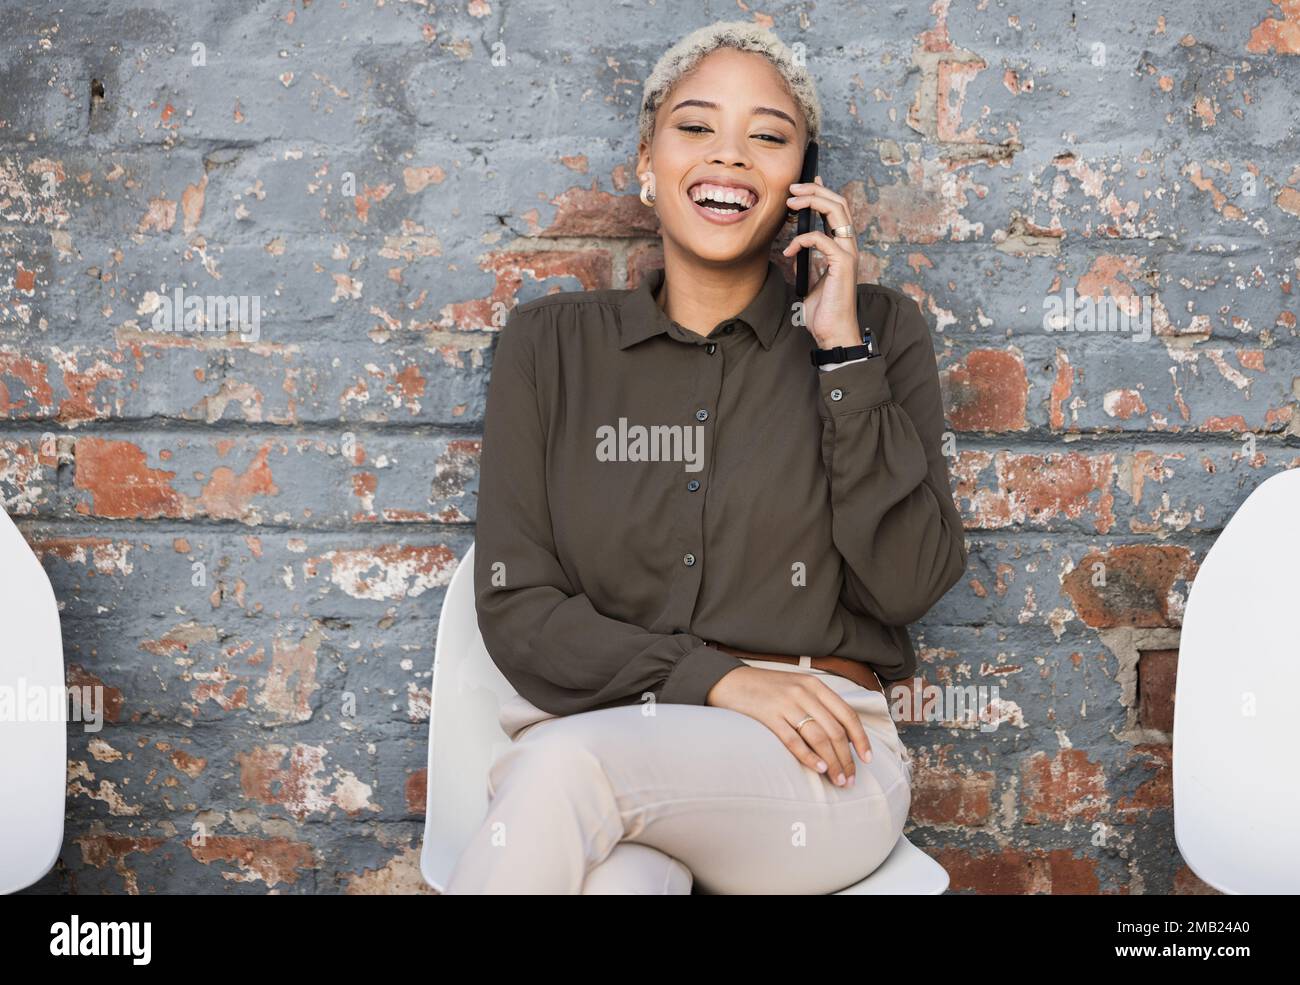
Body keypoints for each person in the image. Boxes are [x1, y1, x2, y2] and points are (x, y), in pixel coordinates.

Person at [445, 19, 967, 894]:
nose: (729, 157)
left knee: (567, 773)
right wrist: (718, 680)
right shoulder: (550, 346)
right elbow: (519, 606)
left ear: (799, 182)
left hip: (818, 761)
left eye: (767, 137)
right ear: (644, 163)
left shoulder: (877, 331)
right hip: (608, 742)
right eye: (695, 128)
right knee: (615, 883)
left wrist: (840, 357)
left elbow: (909, 583)